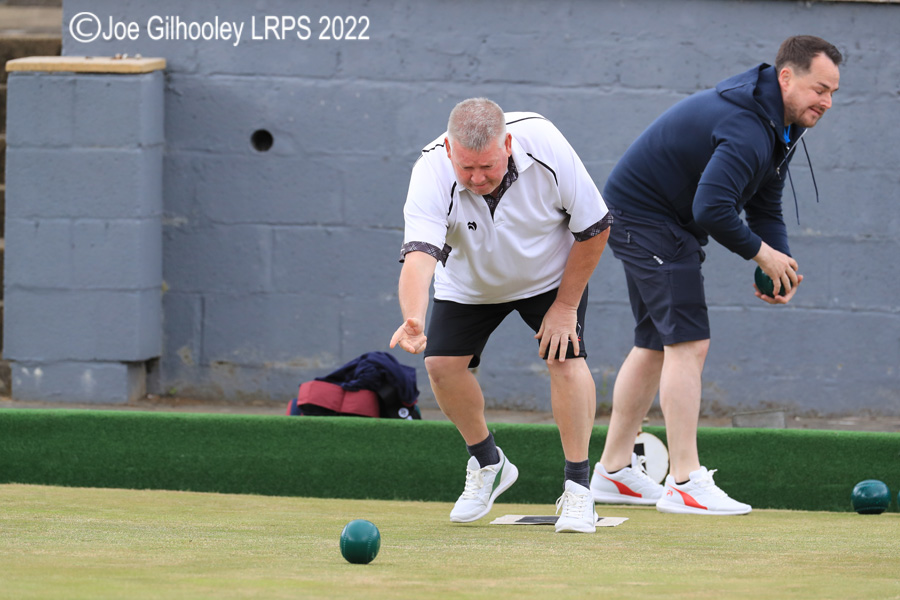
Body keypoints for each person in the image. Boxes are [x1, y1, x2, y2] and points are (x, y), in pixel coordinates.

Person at [589, 36, 842, 515]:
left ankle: (613, 472)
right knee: (688, 344)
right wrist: (759, 255)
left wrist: (779, 265)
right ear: (786, 77)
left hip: (654, 219)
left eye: (832, 92)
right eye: (819, 89)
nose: (826, 102)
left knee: (653, 345)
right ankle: (685, 480)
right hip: (647, 219)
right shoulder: (749, 125)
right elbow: (711, 207)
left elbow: (764, 202)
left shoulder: (782, 122)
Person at [390, 98, 611, 533]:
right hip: (470, 283)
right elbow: (419, 256)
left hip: (549, 277)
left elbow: (594, 227)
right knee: (440, 365)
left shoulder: (544, 141)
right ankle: (489, 463)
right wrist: (413, 317)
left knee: (564, 359)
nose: (476, 178)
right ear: (450, 152)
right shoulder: (430, 171)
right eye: (466, 168)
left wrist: (565, 307)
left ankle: (579, 490)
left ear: (507, 143)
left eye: (487, 167)